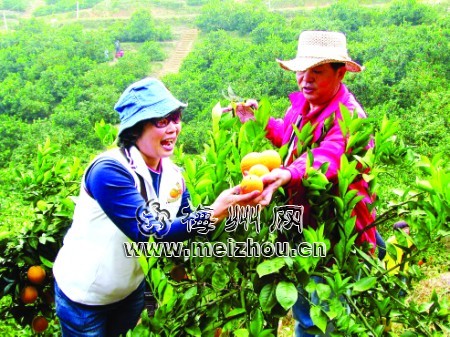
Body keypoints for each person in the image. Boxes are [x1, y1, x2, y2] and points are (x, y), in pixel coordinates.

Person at [52, 77, 259, 337]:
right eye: (162, 120)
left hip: (130, 292)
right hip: (85, 298)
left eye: (176, 117)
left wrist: (239, 202)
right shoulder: (109, 171)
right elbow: (153, 232)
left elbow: (189, 223)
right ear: (136, 128)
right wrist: (213, 212)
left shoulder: (173, 175)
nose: (173, 127)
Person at [225, 30, 378, 336]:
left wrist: (290, 172)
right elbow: (290, 138)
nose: (305, 79)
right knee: (305, 309)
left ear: (340, 73)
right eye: (301, 71)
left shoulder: (349, 116)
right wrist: (260, 122)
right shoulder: (301, 104)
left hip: (333, 232)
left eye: (317, 72)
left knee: (322, 317)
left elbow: (329, 155)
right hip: (302, 225)